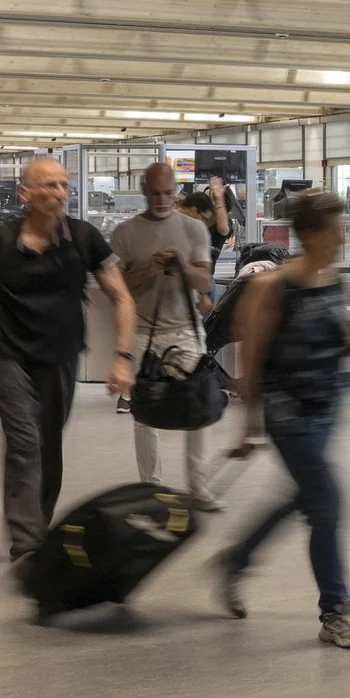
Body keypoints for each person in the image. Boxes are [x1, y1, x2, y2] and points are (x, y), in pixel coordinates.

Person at [0, 157, 136, 567]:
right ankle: (27, 543)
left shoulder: (84, 238)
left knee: (48, 447)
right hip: (9, 357)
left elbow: (121, 296)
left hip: (61, 359)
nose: (58, 194)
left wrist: (122, 356)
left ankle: (39, 527)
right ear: (25, 194)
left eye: (63, 185)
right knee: (24, 444)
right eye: (48, 186)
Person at [212, 190, 350, 647]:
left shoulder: (331, 280)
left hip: (326, 409)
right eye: (335, 229)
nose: (343, 236)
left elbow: (340, 342)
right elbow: (252, 358)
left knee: (305, 497)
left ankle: (236, 559)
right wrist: (248, 425)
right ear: (309, 234)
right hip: (288, 413)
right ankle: (336, 612)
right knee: (327, 504)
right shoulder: (272, 286)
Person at [111, 161, 216, 504]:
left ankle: (198, 486)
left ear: (176, 192)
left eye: (168, 193)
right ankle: (152, 486)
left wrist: (181, 266)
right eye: (155, 193)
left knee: (196, 404)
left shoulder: (194, 229)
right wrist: (149, 269)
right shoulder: (125, 233)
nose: (161, 199)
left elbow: (204, 281)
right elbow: (115, 288)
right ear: (143, 190)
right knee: (145, 413)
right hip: (142, 331)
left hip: (185, 330)